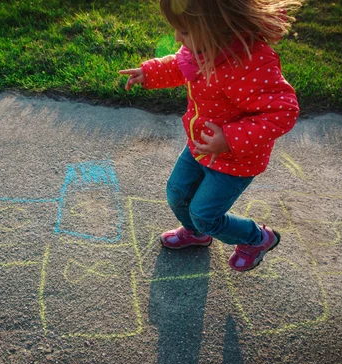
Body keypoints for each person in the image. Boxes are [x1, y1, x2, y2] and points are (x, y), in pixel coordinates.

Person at [119, 0, 301, 271]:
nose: (177, 37)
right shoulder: (204, 47)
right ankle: (195, 234)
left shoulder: (249, 65)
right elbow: (181, 65)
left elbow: (283, 111)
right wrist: (151, 72)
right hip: (201, 145)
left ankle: (257, 238)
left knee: (205, 214)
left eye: (184, 31)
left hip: (235, 160)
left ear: (216, 27)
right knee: (177, 193)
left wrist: (229, 138)